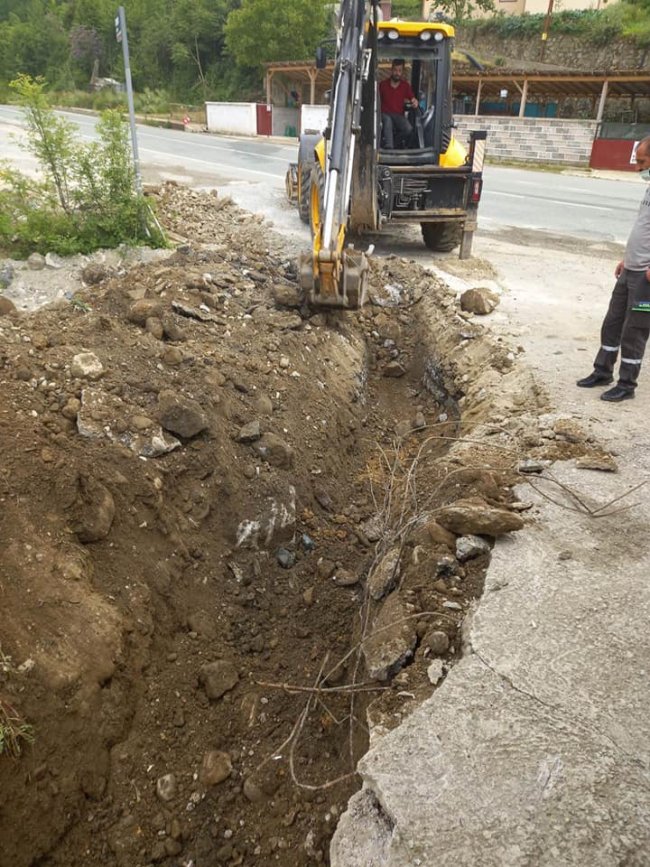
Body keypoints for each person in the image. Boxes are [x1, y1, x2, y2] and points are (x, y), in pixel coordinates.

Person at [577, 136, 650, 402]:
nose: (639, 167)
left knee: (635, 330)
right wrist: (626, 258)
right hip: (631, 268)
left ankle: (627, 384)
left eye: (642, 161)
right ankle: (602, 371)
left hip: (646, 277)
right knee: (613, 322)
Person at [379, 59, 419, 149]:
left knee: (408, 129)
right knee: (387, 120)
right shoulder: (382, 85)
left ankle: (392, 143)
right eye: (395, 70)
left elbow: (413, 98)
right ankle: (389, 148)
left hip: (398, 116)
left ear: (402, 72)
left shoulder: (405, 86)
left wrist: (415, 102)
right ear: (391, 70)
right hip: (384, 114)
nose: (397, 73)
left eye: (399, 71)